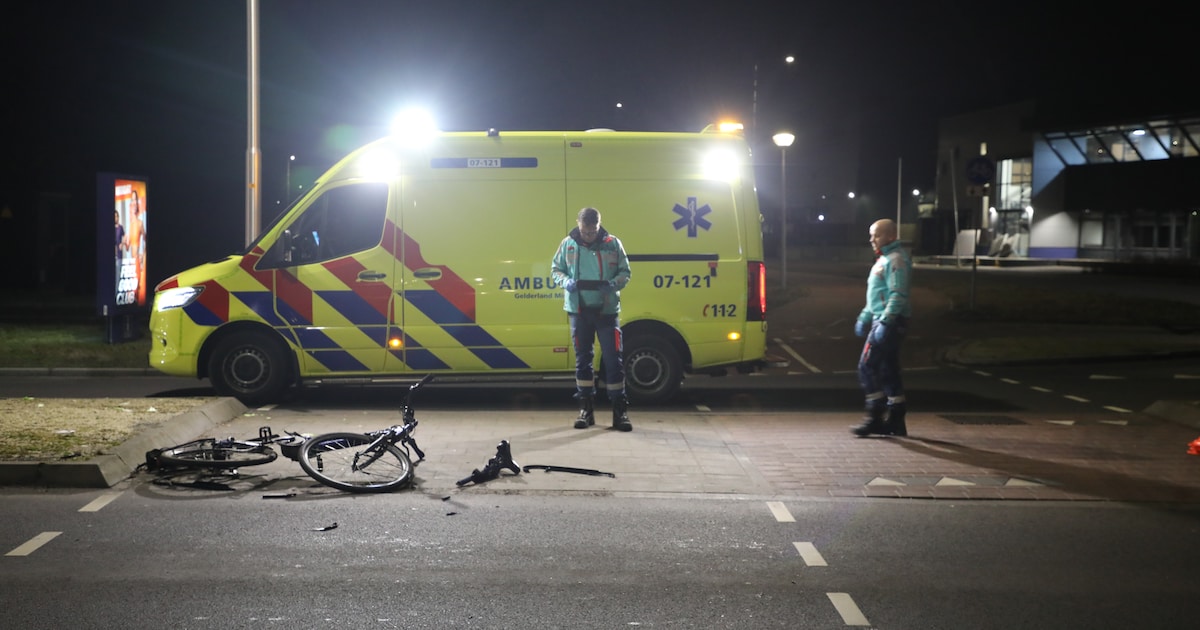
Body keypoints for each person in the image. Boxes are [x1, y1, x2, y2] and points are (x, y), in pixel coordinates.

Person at [551, 207, 633, 431]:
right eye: (585, 232)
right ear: (579, 225)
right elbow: (556, 270)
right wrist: (566, 281)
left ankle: (620, 412)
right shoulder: (567, 244)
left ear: (599, 225)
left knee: (613, 361)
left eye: (593, 231)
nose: (589, 236)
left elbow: (625, 272)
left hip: (606, 312)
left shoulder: (613, 243)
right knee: (583, 361)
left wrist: (613, 284)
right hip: (579, 311)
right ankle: (585, 410)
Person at [851, 218, 912, 437]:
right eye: (871, 235)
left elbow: (898, 294)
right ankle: (896, 419)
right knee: (888, 370)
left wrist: (886, 320)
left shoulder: (895, 260)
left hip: (889, 322)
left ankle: (875, 416)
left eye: (876, 235)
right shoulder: (884, 259)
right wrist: (865, 316)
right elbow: (875, 297)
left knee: (866, 366)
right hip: (885, 319)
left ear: (891, 236)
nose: (871, 240)